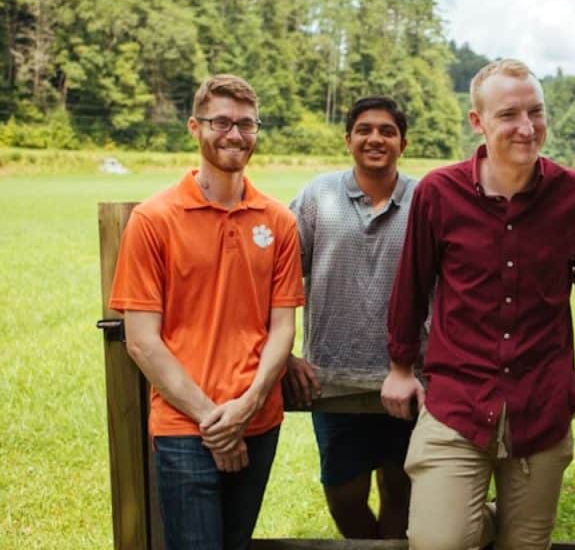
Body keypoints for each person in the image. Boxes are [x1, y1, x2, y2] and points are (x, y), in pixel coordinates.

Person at [381, 58, 575, 550]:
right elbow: (410, 286)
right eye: (510, 114)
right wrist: (400, 367)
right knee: (439, 541)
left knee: (526, 545)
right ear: (478, 121)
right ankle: (471, 520)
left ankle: (489, 521)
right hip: (457, 403)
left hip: (542, 406)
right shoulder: (438, 193)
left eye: (536, 111)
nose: (527, 127)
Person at [109, 74, 304, 550]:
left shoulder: (278, 220)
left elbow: (282, 328)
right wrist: (214, 421)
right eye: (221, 122)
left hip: (258, 422)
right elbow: (141, 340)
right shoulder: (154, 219)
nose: (234, 134)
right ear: (195, 128)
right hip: (184, 426)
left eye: (246, 124)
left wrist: (248, 405)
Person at [284, 96, 416, 539]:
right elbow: (277, 277)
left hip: (409, 375)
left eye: (386, 130)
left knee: (401, 488)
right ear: (348, 140)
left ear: (403, 142)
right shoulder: (317, 196)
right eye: (364, 129)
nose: (374, 138)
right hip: (331, 375)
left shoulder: (426, 200)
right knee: (344, 495)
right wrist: (283, 353)